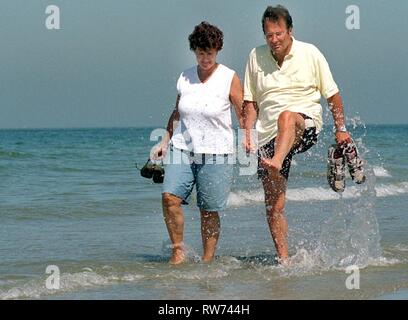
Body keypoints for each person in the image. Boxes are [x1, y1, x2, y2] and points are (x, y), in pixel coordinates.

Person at [243, 5, 361, 264]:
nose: (274, 40)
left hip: (303, 123)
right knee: (274, 206)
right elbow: (250, 102)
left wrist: (341, 130)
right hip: (267, 137)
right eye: (268, 35)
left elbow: (332, 95)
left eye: (279, 33)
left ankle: (276, 161)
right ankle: (284, 260)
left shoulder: (310, 53)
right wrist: (247, 134)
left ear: (290, 31)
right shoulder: (255, 56)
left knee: (287, 116)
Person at [153, 21, 243, 265]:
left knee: (208, 210)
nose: (206, 58)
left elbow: (243, 113)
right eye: (201, 53)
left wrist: (249, 140)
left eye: (210, 53)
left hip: (217, 153)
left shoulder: (229, 78)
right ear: (194, 51)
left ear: (218, 50)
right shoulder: (185, 77)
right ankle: (178, 252)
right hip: (183, 148)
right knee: (169, 197)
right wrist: (164, 141)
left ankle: (207, 260)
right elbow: (177, 112)